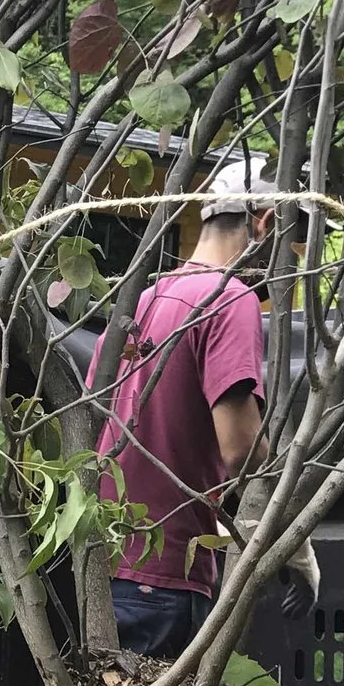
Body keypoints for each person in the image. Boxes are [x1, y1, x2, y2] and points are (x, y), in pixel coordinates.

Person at [93, 156, 275, 659]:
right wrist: (293, 537)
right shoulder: (230, 299)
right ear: (266, 222)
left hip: (107, 566)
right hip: (167, 575)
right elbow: (241, 452)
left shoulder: (145, 300)